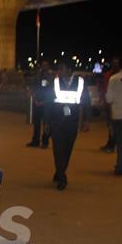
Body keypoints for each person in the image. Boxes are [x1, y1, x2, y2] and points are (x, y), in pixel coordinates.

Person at [47, 59, 91, 190]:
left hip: (72, 121)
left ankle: (60, 170)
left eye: (62, 68)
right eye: (58, 69)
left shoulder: (80, 83)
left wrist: (87, 120)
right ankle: (62, 177)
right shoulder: (54, 82)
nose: (59, 71)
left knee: (67, 149)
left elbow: (86, 102)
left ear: (69, 70)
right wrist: (47, 122)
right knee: (57, 149)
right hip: (56, 120)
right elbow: (48, 103)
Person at [27, 59, 53, 148]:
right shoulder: (38, 76)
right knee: (37, 123)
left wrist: (44, 101)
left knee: (46, 123)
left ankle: (45, 142)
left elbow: (50, 91)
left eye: (46, 65)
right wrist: (35, 99)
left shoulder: (50, 77)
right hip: (37, 101)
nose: (44, 67)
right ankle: (35, 141)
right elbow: (34, 88)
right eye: (43, 65)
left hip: (46, 103)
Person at [99, 56, 121, 153]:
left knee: (114, 126)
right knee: (110, 125)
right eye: (114, 63)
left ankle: (111, 145)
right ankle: (110, 144)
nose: (115, 65)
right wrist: (103, 102)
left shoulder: (121, 76)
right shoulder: (108, 75)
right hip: (109, 103)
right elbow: (104, 89)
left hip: (118, 104)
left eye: (117, 63)